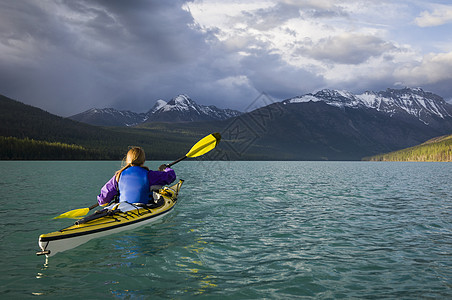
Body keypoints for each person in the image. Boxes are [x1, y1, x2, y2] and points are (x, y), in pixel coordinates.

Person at [97, 147, 176, 206]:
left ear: (127, 160)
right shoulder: (150, 175)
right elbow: (171, 176)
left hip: (122, 209)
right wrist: (166, 169)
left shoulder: (118, 176)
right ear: (143, 160)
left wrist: (102, 202)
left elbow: (103, 200)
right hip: (143, 209)